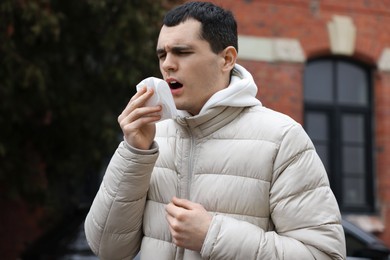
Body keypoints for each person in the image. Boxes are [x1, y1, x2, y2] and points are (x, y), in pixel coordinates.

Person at [84, 1, 346, 259]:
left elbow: (323, 254)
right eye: (162, 55)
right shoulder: (152, 136)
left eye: (182, 52)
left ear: (227, 59)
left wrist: (213, 235)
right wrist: (134, 152)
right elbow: (108, 249)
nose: (167, 65)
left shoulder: (282, 138)